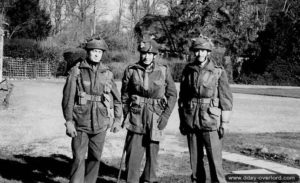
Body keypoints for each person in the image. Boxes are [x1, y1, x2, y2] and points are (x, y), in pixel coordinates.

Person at [62, 38, 122, 183]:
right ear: (88, 52)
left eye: (100, 52)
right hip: (80, 122)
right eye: (94, 51)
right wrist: (69, 121)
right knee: (78, 158)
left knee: (95, 158)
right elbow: (68, 98)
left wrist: (117, 119)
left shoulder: (107, 73)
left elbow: (116, 98)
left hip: (101, 123)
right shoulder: (77, 71)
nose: (97, 54)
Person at [178, 35, 233, 183]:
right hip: (191, 121)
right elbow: (182, 98)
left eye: (203, 50)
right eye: (197, 50)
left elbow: (226, 100)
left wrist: (224, 123)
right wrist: (183, 120)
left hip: (211, 122)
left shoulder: (218, 72)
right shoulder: (188, 70)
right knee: (195, 163)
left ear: (208, 52)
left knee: (215, 162)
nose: (199, 54)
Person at [121, 39, 177, 183]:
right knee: (133, 154)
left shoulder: (163, 70)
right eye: (144, 53)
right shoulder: (131, 70)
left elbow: (172, 95)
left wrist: (165, 116)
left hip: (156, 117)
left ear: (155, 55)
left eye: (150, 53)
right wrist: (127, 113)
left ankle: (149, 180)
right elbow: (125, 95)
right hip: (136, 116)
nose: (146, 56)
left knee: (152, 156)